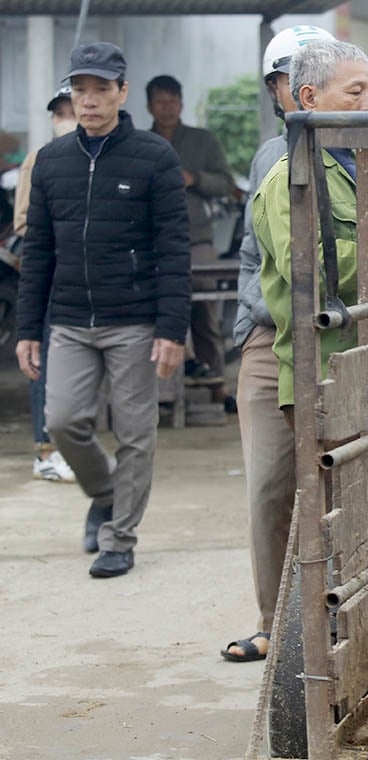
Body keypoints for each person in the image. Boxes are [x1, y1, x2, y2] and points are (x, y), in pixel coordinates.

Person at [229, 38, 368, 660]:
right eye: (354, 91)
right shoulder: (287, 180)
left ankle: (365, 626)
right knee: (320, 507)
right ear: (308, 98)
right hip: (323, 369)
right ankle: (304, 635)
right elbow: (316, 270)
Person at [15, 41, 191, 578]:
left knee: (135, 432)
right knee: (63, 421)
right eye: (79, 90)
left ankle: (121, 537)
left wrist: (170, 327)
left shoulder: (154, 157)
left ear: (121, 92)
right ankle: (105, 491)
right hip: (68, 319)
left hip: (134, 320)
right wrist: (28, 328)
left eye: (99, 90)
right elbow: (39, 249)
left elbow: (173, 247)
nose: (88, 101)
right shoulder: (51, 162)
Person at [222, 23, 333, 663]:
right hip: (272, 341)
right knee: (269, 485)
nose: (303, 89)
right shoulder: (271, 158)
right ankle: (276, 623)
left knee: (342, 480)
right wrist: (256, 324)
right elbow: (252, 257)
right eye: (290, 77)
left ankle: (338, 614)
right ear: (278, 90)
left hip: (343, 337)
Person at [146, 74, 236, 404]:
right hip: (152, 242)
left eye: (172, 101)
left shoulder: (203, 140)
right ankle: (161, 389)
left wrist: (194, 178)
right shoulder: (141, 143)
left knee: (205, 313)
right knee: (156, 314)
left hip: (197, 239)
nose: (166, 108)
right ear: (149, 106)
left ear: (181, 104)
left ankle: (218, 387)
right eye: (160, 102)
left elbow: (227, 183)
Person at [11, 86, 78, 484]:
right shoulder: (40, 159)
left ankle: (71, 448)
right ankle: (45, 450)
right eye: (60, 112)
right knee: (45, 361)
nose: (67, 117)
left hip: (92, 282)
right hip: (51, 279)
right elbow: (24, 222)